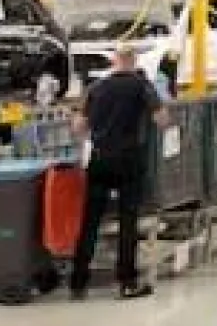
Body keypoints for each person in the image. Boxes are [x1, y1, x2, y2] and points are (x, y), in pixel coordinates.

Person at [70, 44, 171, 301]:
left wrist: (96, 133)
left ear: (115, 61)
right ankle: (127, 282)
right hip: (129, 159)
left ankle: (78, 280)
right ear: (133, 60)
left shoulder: (97, 88)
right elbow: (162, 119)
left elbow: (79, 126)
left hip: (100, 158)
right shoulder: (140, 86)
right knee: (128, 221)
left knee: (90, 221)